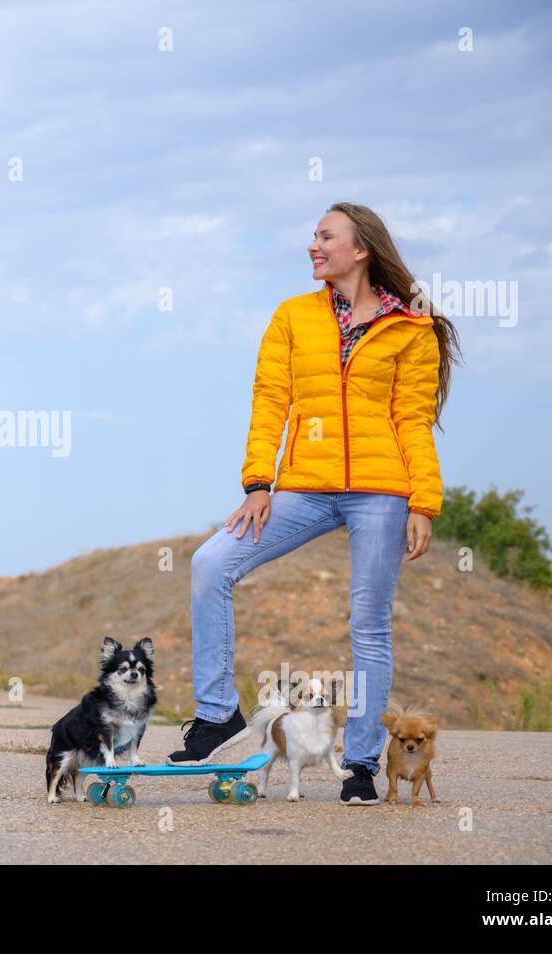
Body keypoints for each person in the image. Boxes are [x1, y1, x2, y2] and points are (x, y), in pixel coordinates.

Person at [166, 202, 462, 805]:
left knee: (368, 625)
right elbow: (269, 399)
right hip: (303, 485)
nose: (313, 245)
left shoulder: (411, 326)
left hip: (380, 492)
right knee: (210, 563)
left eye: (325, 237)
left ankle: (357, 765)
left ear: (361, 249)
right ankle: (218, 713)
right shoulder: (293, 317)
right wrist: (257, 484)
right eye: (313, 236)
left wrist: (423, 502)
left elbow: (413, 419)